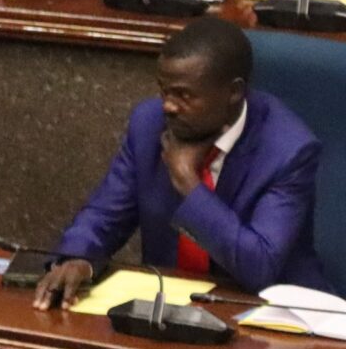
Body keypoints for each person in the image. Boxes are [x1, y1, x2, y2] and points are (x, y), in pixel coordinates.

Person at [34, 18, 329, 303]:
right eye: (164, 91)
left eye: (184, 95)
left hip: (271, 316)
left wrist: (189, 183)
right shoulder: (150, 124)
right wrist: (77, 259)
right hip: (171, 308)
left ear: (234, 93)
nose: (168, 106)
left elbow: (260, 267)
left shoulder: (288, 150)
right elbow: (104, 216)